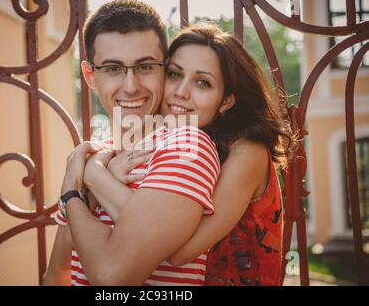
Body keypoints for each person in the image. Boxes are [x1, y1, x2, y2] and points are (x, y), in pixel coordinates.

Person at [77, 24, 294, 286]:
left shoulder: (247, 150)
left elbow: (179, 249)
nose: (181, 92)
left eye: (202, 83)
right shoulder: (169, 144)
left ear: (226, 100)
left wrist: (96, 176)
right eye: (174, 74)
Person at [43, 0, 221, 286]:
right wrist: (92, 179)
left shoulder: (186, 144)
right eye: (113, 69)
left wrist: (76, 189)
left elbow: (114, 282)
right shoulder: (94, 155)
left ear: (164, 69)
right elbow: (57, 275)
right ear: (90, 75)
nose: (130, 86)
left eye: (145, 67)